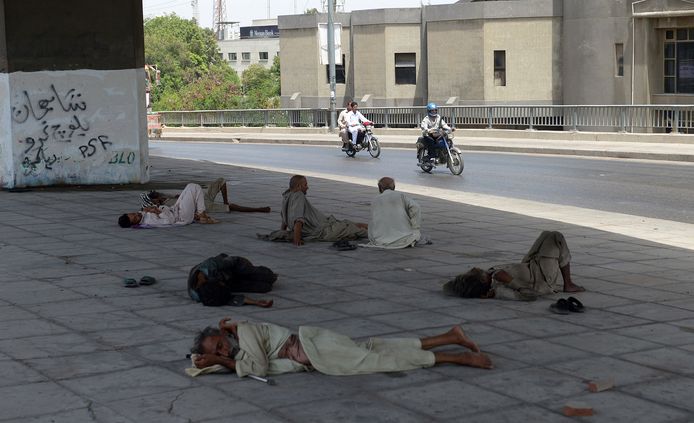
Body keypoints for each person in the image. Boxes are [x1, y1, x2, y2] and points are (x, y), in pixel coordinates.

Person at [188, 318, 492, 378]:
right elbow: (238, 362)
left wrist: (217, 359)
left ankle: (458, 357)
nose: (224, 351)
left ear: (223, 335)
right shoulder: (237, 347)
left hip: (314, 346)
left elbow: (257, 368)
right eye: (219, 350)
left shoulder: (245, 330)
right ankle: (450, 335)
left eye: (220, 345)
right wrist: (213, 359)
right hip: (318, 349)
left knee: (378, 360)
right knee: (377, 348)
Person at [443, 231, 585, 300]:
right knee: (556, 237)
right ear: (482, 281)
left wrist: (459, 284)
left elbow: (447, 287)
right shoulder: (499, 290)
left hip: (530, 265)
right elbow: (531, 296)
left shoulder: (489, 277)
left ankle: (567, 282)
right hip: (543, 278)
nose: (474, 268)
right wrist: (510, 281)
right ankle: (568, 284)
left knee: (546, 234)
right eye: (474, 272)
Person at [261, 175, 368, 246]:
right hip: (324, 230)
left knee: (350, 225)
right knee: (355, 227)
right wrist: (296, 239)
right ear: (299, 186)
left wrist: (283, 231)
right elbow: (298, 220)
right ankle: (380, 232)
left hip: (325, 225)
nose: (307, 187)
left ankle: (378, 230)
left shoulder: (287, 196)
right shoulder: (298, 196)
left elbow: (285, 218)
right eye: (305, 185)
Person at [188, 254, 277, 308]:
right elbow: (229, 299)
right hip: (228, 282)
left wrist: (250, 270)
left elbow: (235, 261)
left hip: (231, 268)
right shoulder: (203, 296)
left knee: (268, 277)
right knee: (265, 288)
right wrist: (256, 302)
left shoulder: (211, 266)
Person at [140, 177, 270, 213]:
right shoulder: (166, 206)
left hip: (202, 196)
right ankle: (258, 209)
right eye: (156, 196)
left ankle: (225, 202)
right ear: (155, 201)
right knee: (231, 207)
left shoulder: (166, 197)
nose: (159, 195)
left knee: (221, 181)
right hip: (202, 205)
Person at [118, 183, 216, 228]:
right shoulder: (150, 221)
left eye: (133, 214)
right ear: (134, 224)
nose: (137, 215)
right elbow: (169, 221)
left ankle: (200, 214)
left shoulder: (141, 215)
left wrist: (149, 208)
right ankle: (202, 215)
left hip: (175, 208)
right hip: (181, 216)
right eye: (135, 218)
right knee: (195, 187)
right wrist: (157, 212)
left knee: (189, 186)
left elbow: (142, 211)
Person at [362, 177, 422, 249]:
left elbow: (373, 221)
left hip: (380, 239)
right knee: (415, 234)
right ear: (394, 187)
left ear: (380, 187)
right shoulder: (400, 195)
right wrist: (415, 227)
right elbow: (416, 207)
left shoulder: (375, 200)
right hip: (402, 237)